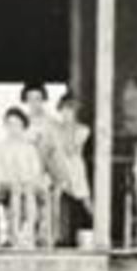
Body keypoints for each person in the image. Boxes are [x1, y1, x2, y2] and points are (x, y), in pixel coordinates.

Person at [0, 106, 46, 249]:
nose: (13, 128)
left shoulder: (29, 148)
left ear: (23, 127)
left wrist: (27, 181)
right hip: (5, 186)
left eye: (17, 125)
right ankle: (14, 235)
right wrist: (8, 181)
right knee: (16, 188)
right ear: (5, 126)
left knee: (26, 189)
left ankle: (28, 233)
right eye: (10, 124)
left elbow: (35, 171)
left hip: (27, 186)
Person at [47, 92, 92, 244]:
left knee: (86, 201)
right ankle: (54, 236)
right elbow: (51, 149)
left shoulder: (83, 130)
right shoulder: (55, 128)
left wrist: (64, 130)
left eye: (70, 111)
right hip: (59, 167)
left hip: (75, 169)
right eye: (63, 110)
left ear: (75, 112)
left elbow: (70, 149)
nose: (66, 114)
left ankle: (102, 230)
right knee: (55, 199)